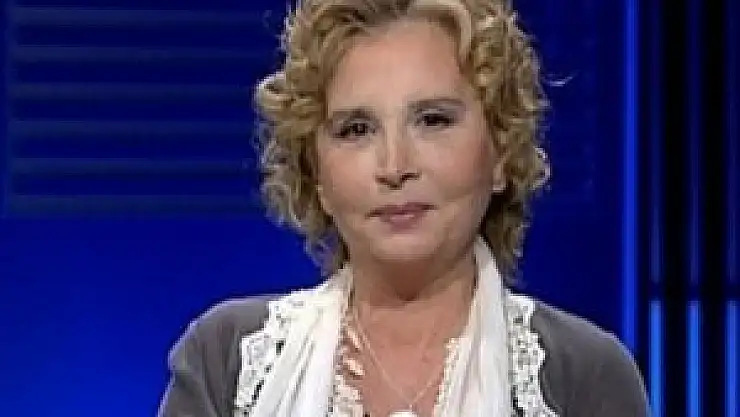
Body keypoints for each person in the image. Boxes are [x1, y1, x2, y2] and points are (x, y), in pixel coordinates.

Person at [157, 0, 650, 416]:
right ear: (316, 174)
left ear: (500, 151)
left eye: (433, 120)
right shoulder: (226, 362)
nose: (394, 166)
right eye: (356, 129)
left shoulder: (585, 376)